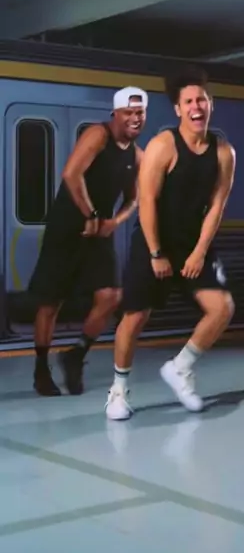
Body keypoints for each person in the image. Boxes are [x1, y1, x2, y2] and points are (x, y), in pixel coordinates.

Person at [105, 69, 236, 420]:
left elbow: (217, 207)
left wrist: (199, 252)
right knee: (135, 316)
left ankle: (180, 368)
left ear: (210, 105)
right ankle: (118, 392)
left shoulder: (224, 153)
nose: (196, 107)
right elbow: (147, 201)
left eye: (201, 100)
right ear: (178, 109)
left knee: (222, 307)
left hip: (192, 244)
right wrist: (155, 253)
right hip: (155, 241)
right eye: (188, 101)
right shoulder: (163, 145)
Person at [29, 86, 148, 397]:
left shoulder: (137, 156)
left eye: (140, 113)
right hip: (66, 227)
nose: (135, 118)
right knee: (50, 302)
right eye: (129, 113)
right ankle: (41, 371)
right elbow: (71, 174)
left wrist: (113, 222)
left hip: (99, 233)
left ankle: (76, 355)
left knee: (111, 296)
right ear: (115, 114)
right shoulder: (98, 135)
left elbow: (134, 199)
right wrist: (91, 213)